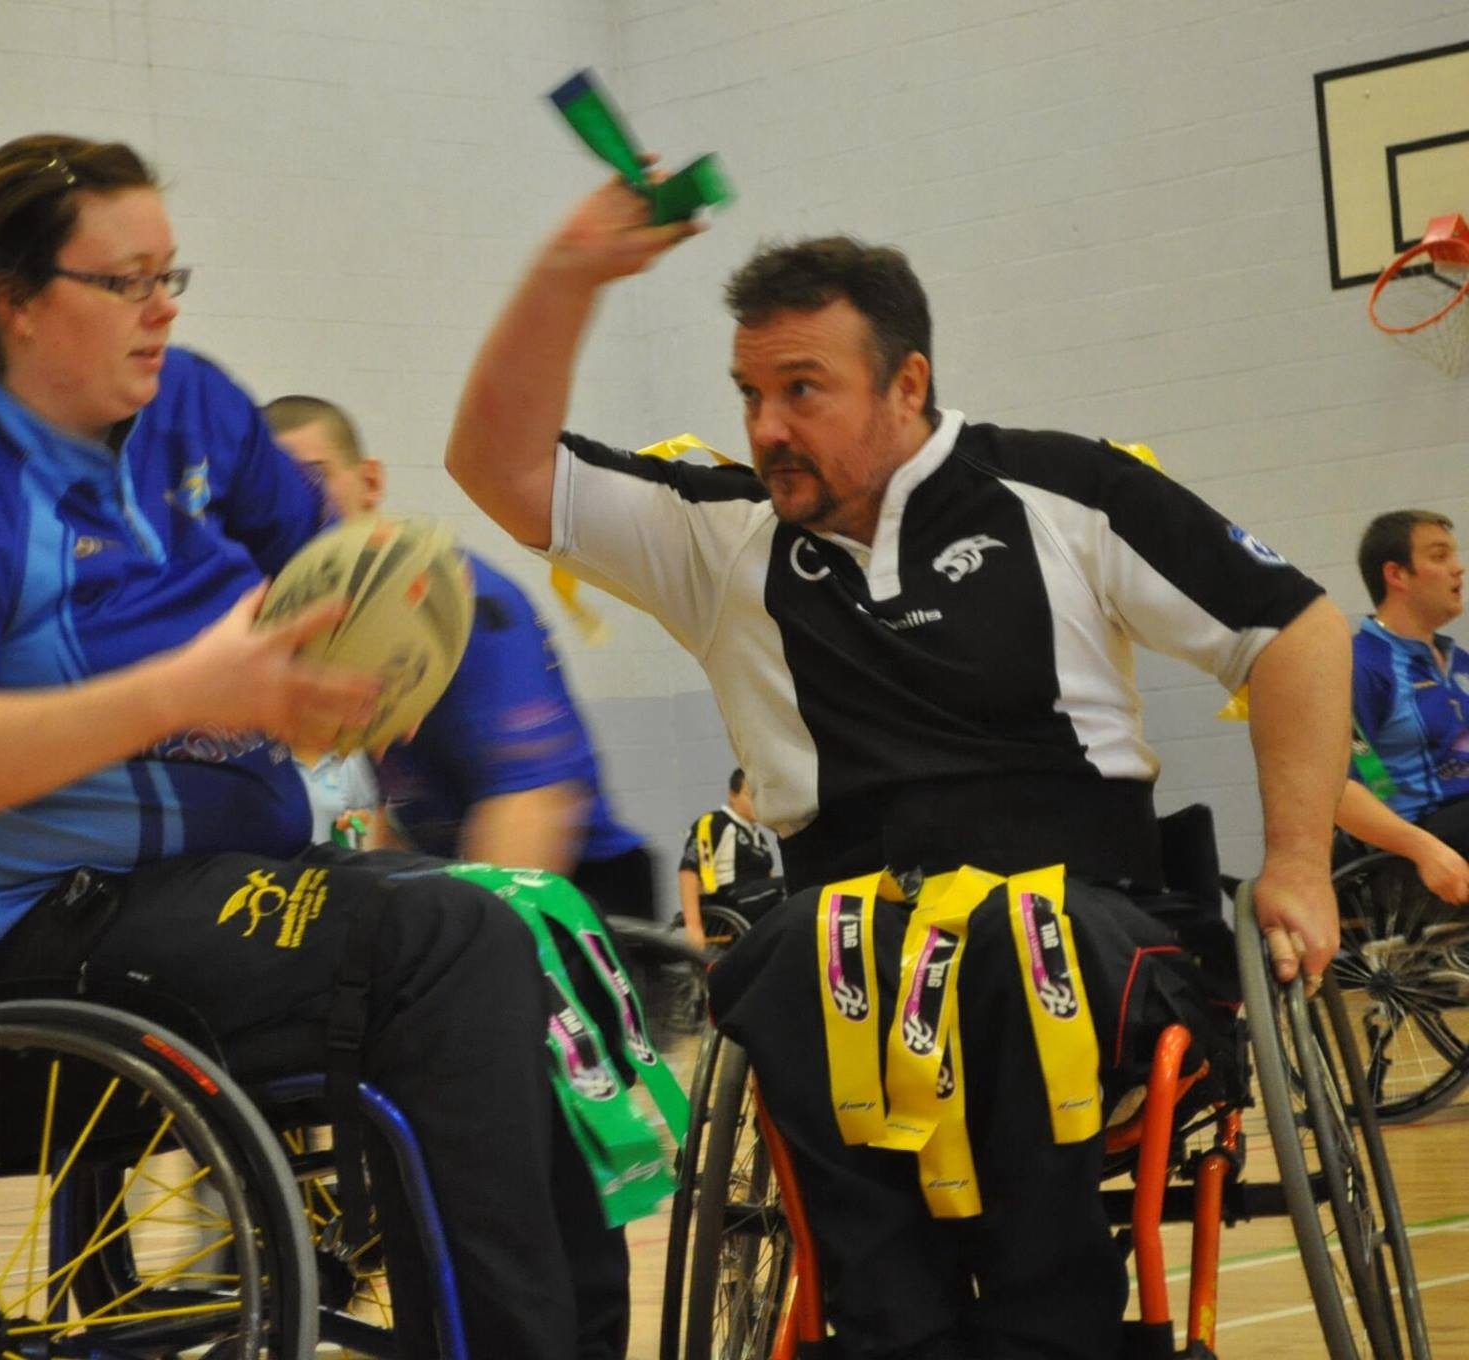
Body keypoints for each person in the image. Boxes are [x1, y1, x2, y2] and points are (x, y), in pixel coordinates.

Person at [444, 176, 1348, 1359]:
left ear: (905, 383)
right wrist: (569, 272)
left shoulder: (1061, 491)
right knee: (795, 957)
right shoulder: (717, 533)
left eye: (801, 389)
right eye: (750, 395)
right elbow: (495, 467)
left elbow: (1293, 630)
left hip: (1079, 912)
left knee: (1011, 943)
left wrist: (1298, 862)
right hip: (848, 932)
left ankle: (1052, 1329)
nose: (766, 426)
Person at [0, 134, 625, 1360]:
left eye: (170, 276)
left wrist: (379, 638)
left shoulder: (193, 403)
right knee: (444, 941)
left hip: (223, 889)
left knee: (521, 917)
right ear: (16, 301)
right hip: (41, 933)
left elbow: (327, 579)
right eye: (124, 282)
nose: (161, 309)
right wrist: (185, 691)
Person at [263, 393, 661, 924]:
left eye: (311, 479)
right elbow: (385, 818)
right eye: (267, 491)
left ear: (370, 482)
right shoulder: (324, 625)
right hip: (455, 875)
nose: (289, 507)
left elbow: (534, 804)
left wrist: (456, 947)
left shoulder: (463, 601)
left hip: (579, 890)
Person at [1335, 509, 1469, 904]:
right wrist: (1424, 849)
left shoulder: (1458, 662)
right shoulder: (1363, 668)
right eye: (1440, 556)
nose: (1458, 568)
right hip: (1419, 835)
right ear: (1397, 575)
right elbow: (1338, 789)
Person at [677, 767, 784, 945]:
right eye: (750, 795)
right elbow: (689, 870)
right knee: (788, 887)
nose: (757, 802)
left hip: (756, 903)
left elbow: (769, 880)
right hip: (728, 900)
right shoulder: (715, 823)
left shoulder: (759, 837)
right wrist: (693, 925)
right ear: (732, 795)